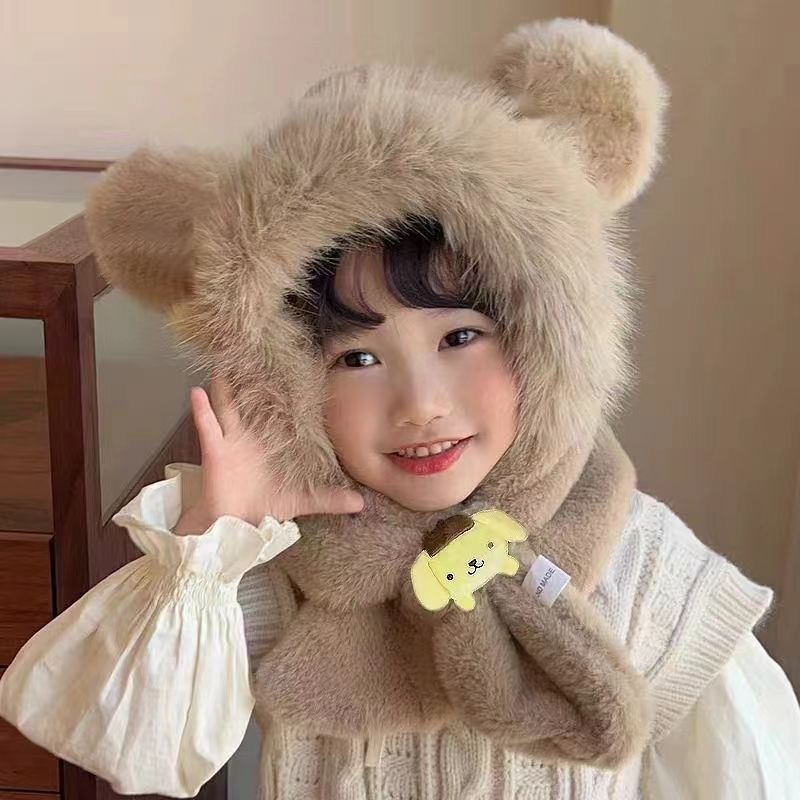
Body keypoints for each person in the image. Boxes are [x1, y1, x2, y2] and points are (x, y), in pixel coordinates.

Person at [1, 17, 799, 800]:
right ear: (287, 381)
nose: (421, 405)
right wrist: (213, 542)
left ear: (544, 338)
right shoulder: (273, 560)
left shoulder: (638, 559)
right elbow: (123, 741)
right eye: (357, 358)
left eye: (460, 336)